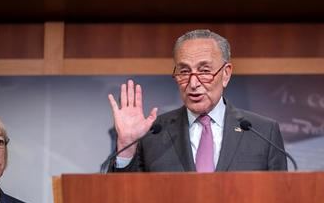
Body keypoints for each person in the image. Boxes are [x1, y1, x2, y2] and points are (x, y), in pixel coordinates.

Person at [107, 29, 287, 172]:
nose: (193, 83)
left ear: (225, 74)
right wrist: (127, 147)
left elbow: (280, 202)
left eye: (204, 71)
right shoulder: (153, 133)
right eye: (184, 72)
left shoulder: (262, 132)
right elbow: (122, 202)